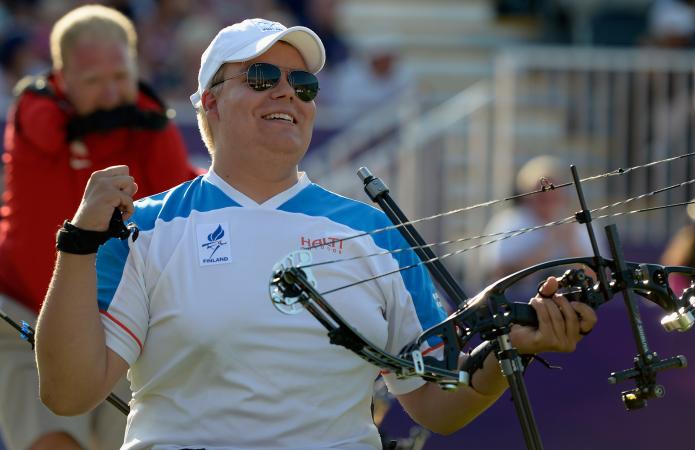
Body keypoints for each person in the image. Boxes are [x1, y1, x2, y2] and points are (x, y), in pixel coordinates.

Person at [35, 18, 597, 450]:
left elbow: (435, 403)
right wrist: (78, 242)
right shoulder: (148, 226)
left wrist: (508, 353)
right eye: (261, 77)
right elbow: (68, 392)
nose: (287, 93)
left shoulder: (371, 229)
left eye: (302, 83)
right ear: (209, 102)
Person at [0, 5, 199, 450]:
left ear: (136, 66)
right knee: (51, 443)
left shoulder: (150, 120)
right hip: (26, 309)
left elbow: (178, 211)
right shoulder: (34, 116)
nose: (111, 94)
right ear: (61, 77)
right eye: (93, 81)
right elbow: (44, 130)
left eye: (120, 76)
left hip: (118, 314)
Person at [480, 155, 595, 299]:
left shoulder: (581, 224)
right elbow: (497, 273)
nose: (548, 200)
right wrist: (549, 244)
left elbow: (599, 276)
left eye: (554, 193)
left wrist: (571, 243)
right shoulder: (509, 223)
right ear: (527, 195)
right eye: (542, 196)